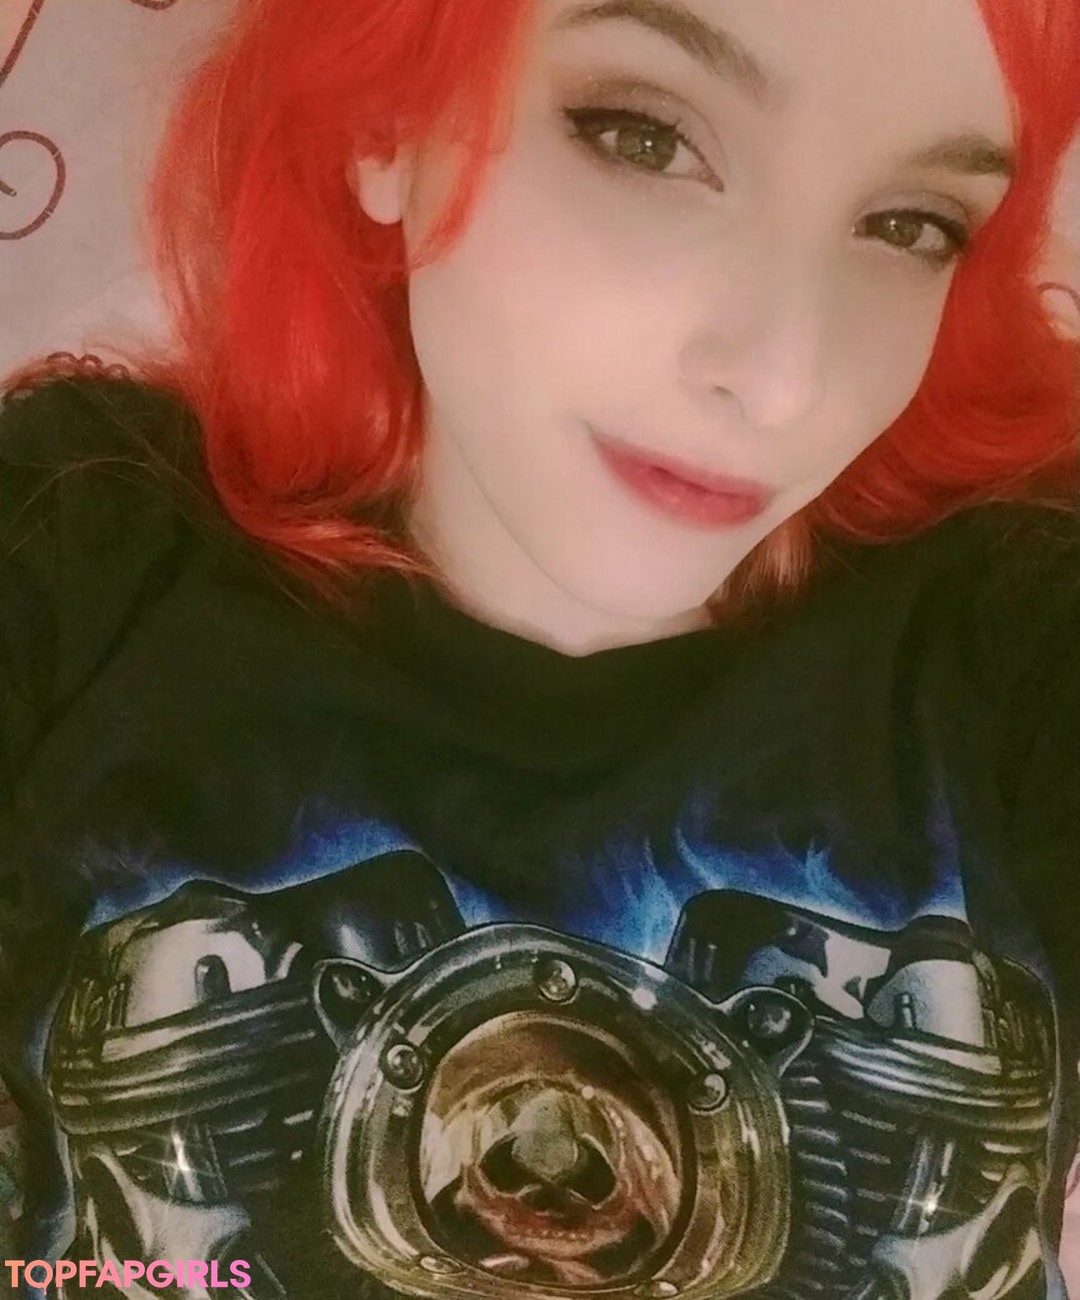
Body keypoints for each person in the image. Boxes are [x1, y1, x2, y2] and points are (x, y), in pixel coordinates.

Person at [1, 0, 1079, 1296]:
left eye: (912, 225)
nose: (786, 380)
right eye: (645, 137)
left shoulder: (1019, 641)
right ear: (387, 120)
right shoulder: (75, 548)